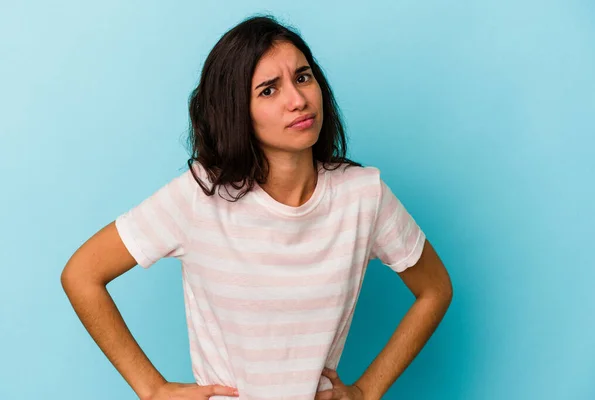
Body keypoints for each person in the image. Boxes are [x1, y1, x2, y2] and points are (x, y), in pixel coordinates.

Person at [60, 14, 453, 400]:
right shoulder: (201, 196)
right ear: (236, 111)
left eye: (302, 77)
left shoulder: (363, 195)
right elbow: (82, 274)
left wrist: (366, 392)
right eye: (268, 90)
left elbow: (435, 289)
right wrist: (153, 389)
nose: (297, 100)